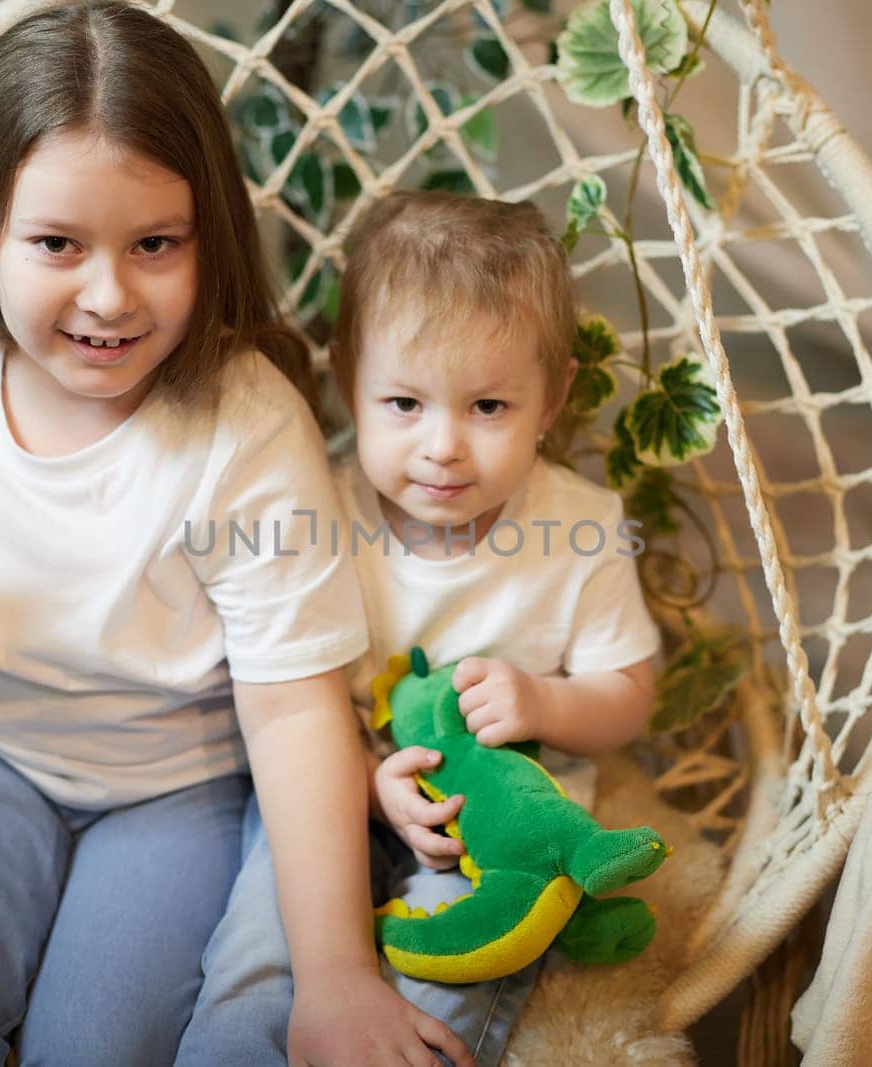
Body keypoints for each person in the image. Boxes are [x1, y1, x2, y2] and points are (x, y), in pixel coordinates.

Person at [0, 6, 473, 1065]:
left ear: (209, 238)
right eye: (57, 243)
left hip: (176, 782)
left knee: (96, 1046)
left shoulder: (244, 425)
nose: (108, 294)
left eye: (155, 244)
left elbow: (295, 710)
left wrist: (337, 977)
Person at [179, 192, 664, 1066]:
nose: (443, 446)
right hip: (333, 798)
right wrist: (367, 784)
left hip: (500, 832)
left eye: (488, 408)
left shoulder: (581, 527)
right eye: (404, 403)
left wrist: (547, 702)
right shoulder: (311, 507)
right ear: (345, 379)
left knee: (456, 977)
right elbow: (283, 698)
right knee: (258, 954)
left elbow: (629, 696)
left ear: (550, 400)